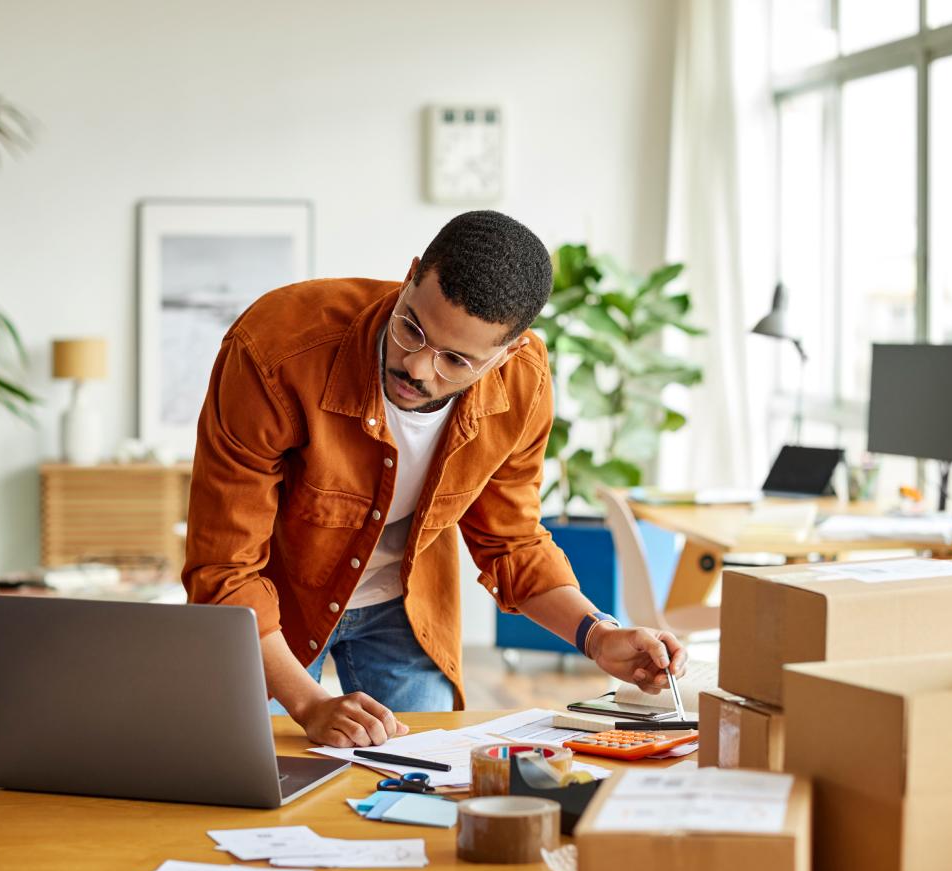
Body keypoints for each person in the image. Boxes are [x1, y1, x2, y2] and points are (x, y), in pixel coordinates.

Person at [184, 210, 687, 748]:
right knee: (248, 779)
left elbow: (512, 541)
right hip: (272, 612)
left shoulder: (523, 382)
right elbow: (224, 569)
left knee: (414, 781)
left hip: (408, 608)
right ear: (412, 274)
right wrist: (309, 703)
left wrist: (598, 635)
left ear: (507, 353)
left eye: (455, 359)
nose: (419, 368)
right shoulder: (276, 350)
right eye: (411, 329)